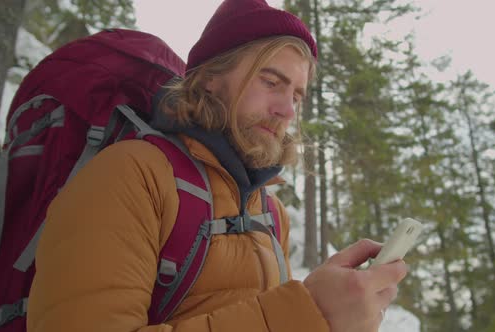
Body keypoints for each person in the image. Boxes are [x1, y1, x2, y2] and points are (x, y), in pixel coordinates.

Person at [27, 0, 408, 331]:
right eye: (271, 82)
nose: (287, 110)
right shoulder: (131, 174)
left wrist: (333, 317)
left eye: (297, 95)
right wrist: (308, 314)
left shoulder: (270, 212)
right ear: (210, 78)